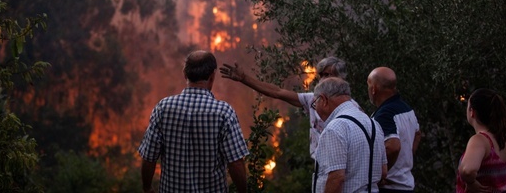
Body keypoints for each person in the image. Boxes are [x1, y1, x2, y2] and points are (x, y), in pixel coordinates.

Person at [138, 50, 249, 193]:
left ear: (185, 74)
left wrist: (147, 188)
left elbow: (149, 156)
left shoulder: (163, 108)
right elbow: (235, 163)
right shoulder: (224, 113)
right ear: (212, 76)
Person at [220, 56, 351, 158]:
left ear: (341, 78)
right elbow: (277, 92)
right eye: (321, 75)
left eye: (327, 75)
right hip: (320, 165)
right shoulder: (312, 100)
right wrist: (244, 78)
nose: (322, 79)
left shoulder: (350, 108)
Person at [313, 77, 387, 193]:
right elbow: (383, 171)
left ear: (323, 100)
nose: (315, 109)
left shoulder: (335, 128)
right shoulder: (374, 124)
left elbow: (336, 178)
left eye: (314, 104)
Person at [456, 88, 506, 193]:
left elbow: (468, 171)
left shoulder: (479, 141)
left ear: (472, 112)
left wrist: (471, 183)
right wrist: (503, 169)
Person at [367, 67, 421, 193]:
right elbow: (418, 134)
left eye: (368, 85)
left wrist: (381, 174)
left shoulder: (384, 114)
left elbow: (393, 147)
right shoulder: (406, 108)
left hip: (389, 187)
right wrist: (405, 160)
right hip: (406, 184)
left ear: (373, 89)